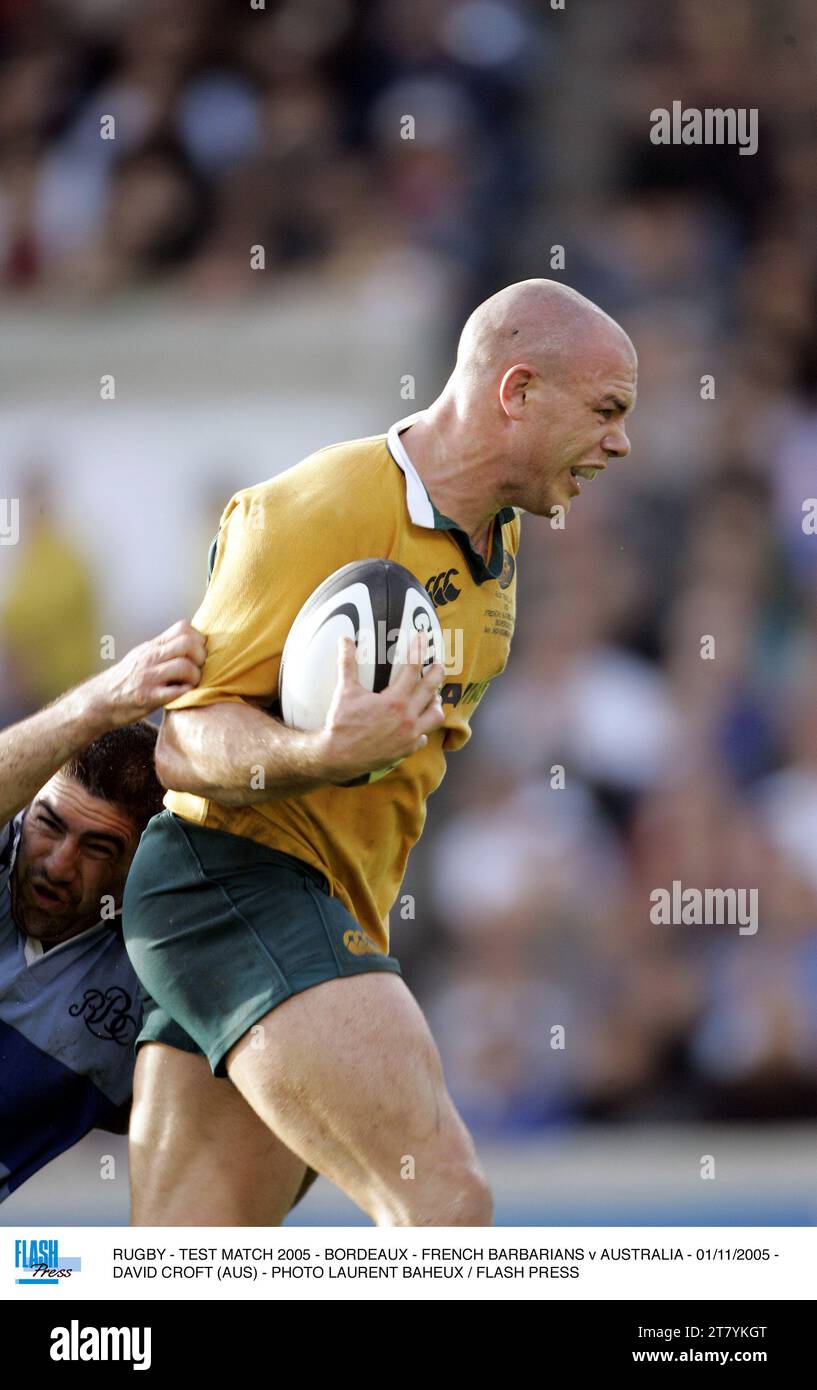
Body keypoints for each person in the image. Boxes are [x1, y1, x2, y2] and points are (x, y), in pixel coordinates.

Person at [123, 278, 638, 1226]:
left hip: (319, 900)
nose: (621, 442)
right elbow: (184, 740)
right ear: (516, 391)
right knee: (443, 1206)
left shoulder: (502, 542)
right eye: (606, 411)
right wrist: (315, 750)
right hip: (235, 880)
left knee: (184, 1268)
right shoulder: (316, 508)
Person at [0, 621, 205, 1201]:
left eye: (98, 848)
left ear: (139, 865)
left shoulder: (156, 977)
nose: (58, 864)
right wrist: (95, 706)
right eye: (48, 824)